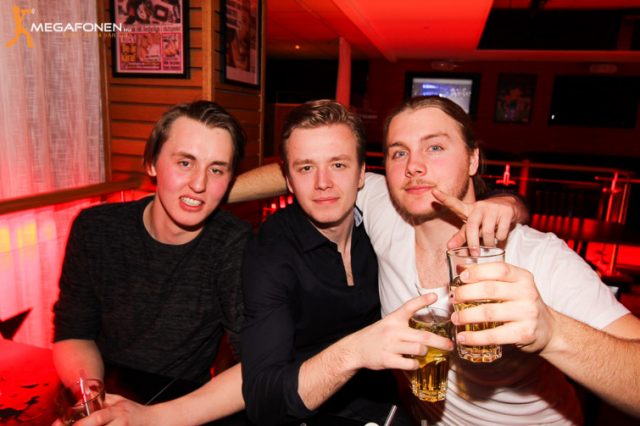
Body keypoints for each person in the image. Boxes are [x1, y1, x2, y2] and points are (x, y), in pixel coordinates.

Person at [355, 95, 640, 424]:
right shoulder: (384, 210)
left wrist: (553, 333)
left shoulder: (536, 256)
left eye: (435, 147)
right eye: (399, 152)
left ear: (473, 159)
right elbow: (316, 174)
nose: (413, 166)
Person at [240, 100, 452, 425]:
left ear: (362, 173)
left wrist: (507, 203)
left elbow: (471, 198)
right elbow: (264, 403)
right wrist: (356, 352)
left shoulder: (384, 219)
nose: (323, 182)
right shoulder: (272, 252)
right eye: (306, 168)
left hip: (391, 408)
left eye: (338, 165)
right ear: (288, 179)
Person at [52, 100, 250, 425]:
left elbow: (259, 364)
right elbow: (74, 333)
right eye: (185, 162)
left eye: (216, 169)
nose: (199, 184)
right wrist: (94, 404)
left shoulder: (234, 244)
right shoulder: (95, 229)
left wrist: (150, 418)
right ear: (151, 164)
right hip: (109, 390)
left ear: (229, 181)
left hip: (182, 408)